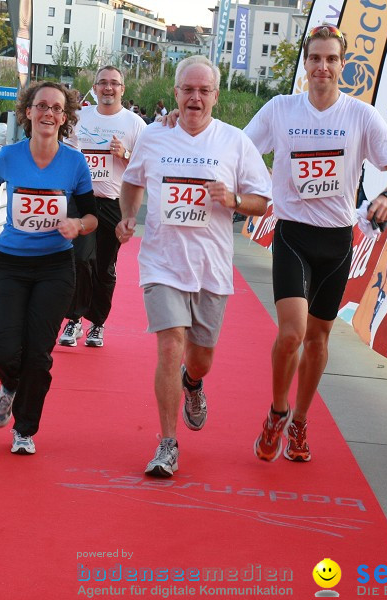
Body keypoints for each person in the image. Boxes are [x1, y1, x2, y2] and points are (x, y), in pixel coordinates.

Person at [245, 24, 387, 463]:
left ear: (343, 65)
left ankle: (300, 419)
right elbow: (239, 150)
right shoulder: (281, 109)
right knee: (291, 334)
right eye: (315, 58)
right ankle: (277, 412)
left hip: (338, 242)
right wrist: (186, 128)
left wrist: (386, 196)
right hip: (293, 235)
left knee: (318, 339)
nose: (323, 67)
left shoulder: (361, 115)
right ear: (305, 64)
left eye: (331, 60)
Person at [116, 55, 272, 477]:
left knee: (200, 358)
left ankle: (193, 382)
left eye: (204, 91)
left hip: (211, 269)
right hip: (162, 263)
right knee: (169, 347)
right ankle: (168, 443)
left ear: (216, 96)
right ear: (176, 93)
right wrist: (128, 215)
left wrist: (235, 201)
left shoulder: (235, 142)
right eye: (188, 89)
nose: (195, 98)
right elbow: (131, 181)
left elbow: (264, 199)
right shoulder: (153, 136)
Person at [0, 81, 97, 455]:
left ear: (65, 117)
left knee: (39, 354)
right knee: (4, 351)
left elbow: (91, 216)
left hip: (55, 267)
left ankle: (24, 429)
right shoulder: (9, 156)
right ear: (28, 112)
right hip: (11, 263)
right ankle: (9, 384)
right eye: (42, 106)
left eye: (57, 108)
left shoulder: (74, 162)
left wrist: (78, 225)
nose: (49, 114)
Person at [59, 65, 145, 348]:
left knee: (105, 266)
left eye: (114, 83)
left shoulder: (134, 124)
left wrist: (125, 154)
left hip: (113, 203)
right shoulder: (79, 118)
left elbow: (147, 167)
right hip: (83, 201)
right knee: (80, 260)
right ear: (94, 88)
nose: (108, 88)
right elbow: (65, 152)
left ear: (123, 89)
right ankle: (74, 320)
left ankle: (98, 323)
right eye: (102, 83)